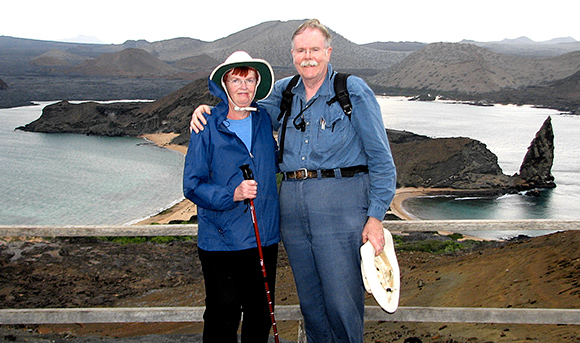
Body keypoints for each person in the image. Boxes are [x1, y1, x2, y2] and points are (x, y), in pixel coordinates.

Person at [190, 19, 397, 343]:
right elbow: (243, 106)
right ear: (293, 54)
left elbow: (383, 161)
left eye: (315, 49)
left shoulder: (351, 90)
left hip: (341, 211)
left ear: (328, 52)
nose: (308, 56)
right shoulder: (285, 92)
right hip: (293, 218)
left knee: (342, 303)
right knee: (312, 304)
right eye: (301, 50)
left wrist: (375, 218)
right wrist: (209, 110)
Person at [183, 51, 280, 343]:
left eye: (249, 79)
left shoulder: (264, 120)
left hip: (263, 237)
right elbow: (192, 185)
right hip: (220, 241)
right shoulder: (206, 125)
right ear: (224, 84)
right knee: (222, 316)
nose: (243, 87)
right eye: (236, 79)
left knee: (260, 316)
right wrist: (232, 193)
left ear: (257, 84)